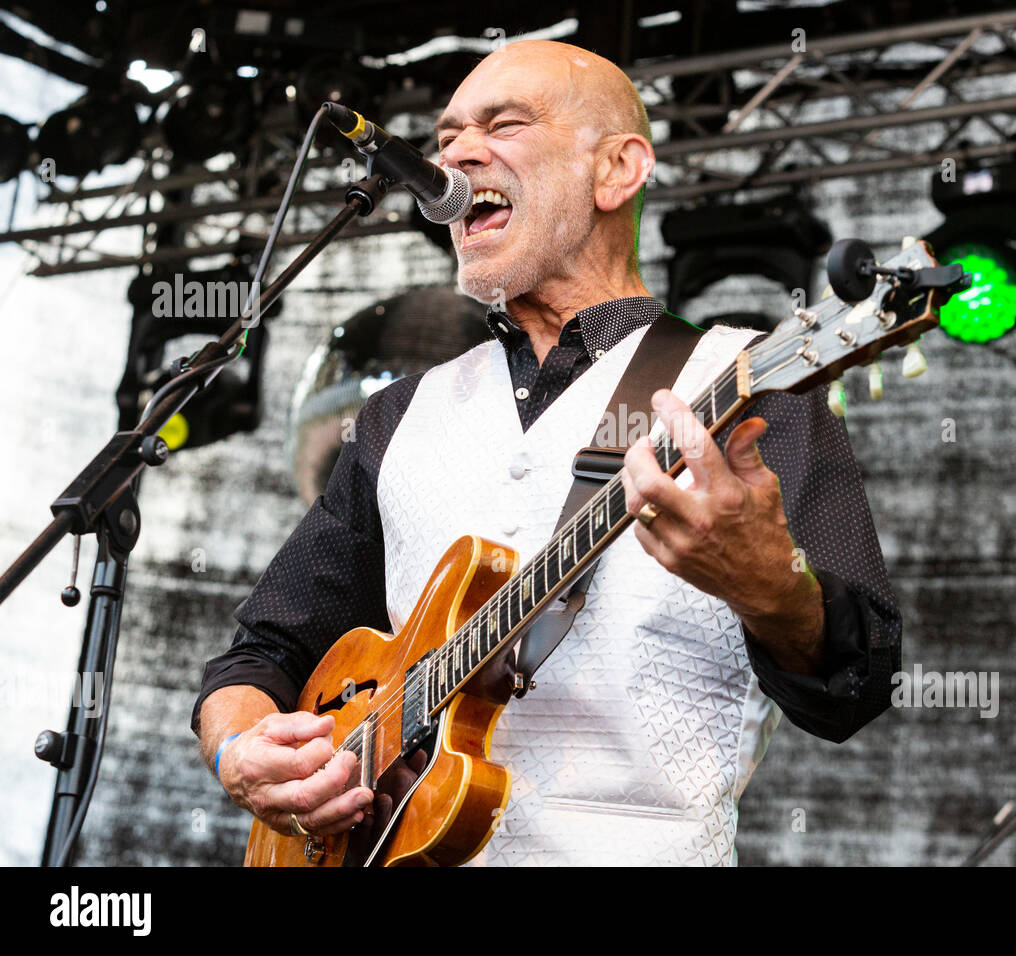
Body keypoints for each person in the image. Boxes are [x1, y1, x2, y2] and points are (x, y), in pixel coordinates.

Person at [192, 39, 901, 866]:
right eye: (448, 133)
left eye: (504, 123)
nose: (454, 152)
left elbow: (861, 682)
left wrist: (775, 591)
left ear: (617, 172)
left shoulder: (749, 384)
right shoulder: (397, 414)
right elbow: (263, 653)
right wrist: (239, 752)